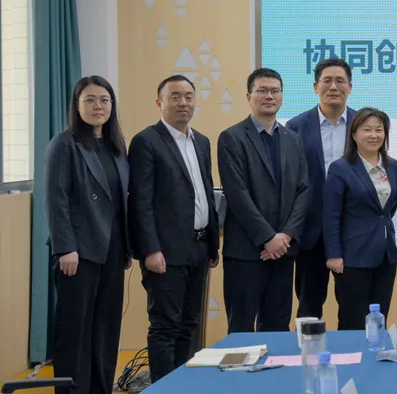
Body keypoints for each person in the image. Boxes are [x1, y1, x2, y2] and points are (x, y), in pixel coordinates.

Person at [128, 75, 219, 382]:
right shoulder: (146, 141)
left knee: (189, 325)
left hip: (198, 247)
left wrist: (212, 246)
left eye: (189, 97)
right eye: (175, 97)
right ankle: (164, 387)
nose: (183, 103)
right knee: (165, 326)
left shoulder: (201, 141)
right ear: (160, 103)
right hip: (164, 253)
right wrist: (150, 249)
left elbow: (206, 194)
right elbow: (140, 202)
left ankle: (183, 385)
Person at [45, 76, 131, 394]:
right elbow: (56, 199)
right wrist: (65, 247)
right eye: (90, 100)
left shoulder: (117, 146)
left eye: (104, 100)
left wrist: (127, 248)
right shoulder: (64, 144)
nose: (98, 106)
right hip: (78, 253)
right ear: (77, 105)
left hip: (113, 250)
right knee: (75, 332)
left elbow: (122, 202)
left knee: (106, 329)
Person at [218, 68, 311, 333]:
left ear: (282, 96)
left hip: (283, 252)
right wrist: (267, 238)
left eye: (275, 91)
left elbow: (303, 190)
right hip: (246, 252)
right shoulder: (232, 137)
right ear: (249, 97)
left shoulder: (293, 139)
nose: (269, 96)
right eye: (262, 90)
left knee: (278, 326)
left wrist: (285, 236)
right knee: (241, 328)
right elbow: (237, 193)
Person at [286, 57, 356, 320]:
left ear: (350, 87)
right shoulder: (295, 127)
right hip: (310, 233)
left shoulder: (364, 124)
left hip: (352, 231)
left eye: (340, 81)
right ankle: (308, 348)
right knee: (308, 307)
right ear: (316, 87)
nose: (333, 87)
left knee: (353, 307)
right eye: (327, 81)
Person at [324, 108, 397, 330]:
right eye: (367, 130)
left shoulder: (392, 166)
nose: (374, 135)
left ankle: (376, 351)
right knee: (353, 320)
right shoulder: (340, 168)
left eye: (379, 130)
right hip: (352, 257)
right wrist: (334, 254)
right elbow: (331, 215)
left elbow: (389, 209)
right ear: (354, 134)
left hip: (385, 255)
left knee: (379, 319)